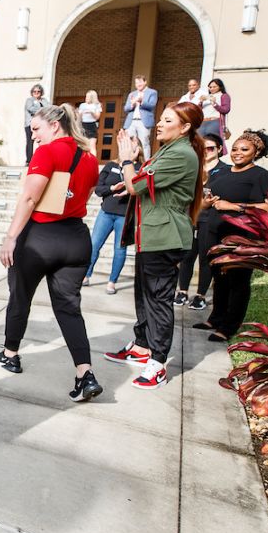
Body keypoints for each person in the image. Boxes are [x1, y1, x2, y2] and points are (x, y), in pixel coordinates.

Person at [0, 104, 102, 403]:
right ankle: (85, 373)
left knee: (20, 295)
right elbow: (83, 196)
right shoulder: (91, 159)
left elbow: (30, 197)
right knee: (69, 308)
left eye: (36, 128)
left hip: (40, 237)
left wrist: (10, 237)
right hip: (77, 239)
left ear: (55, 125)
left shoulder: (47, 152)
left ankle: (11, 354)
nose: (33, 134)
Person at [104, 102, 205, 390]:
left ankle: (157, 362)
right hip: (151, 236)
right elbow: (143, 183)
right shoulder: (170, 149)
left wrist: (126, 161)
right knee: (144, 294)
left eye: (167, 120)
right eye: (160, 119)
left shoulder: (182, 154)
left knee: (158, 300)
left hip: (166, 238)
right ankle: (142, 345)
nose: (159, 124)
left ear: (185, 127)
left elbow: (136, 185)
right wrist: (135, 163)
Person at [194, 129, 268, 342]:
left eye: (244, 149)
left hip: (242, 235)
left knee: (237, 281)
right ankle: (215, 318)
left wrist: (235, 206)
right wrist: (207, 202)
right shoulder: (223, 172)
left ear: (256, 152)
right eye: (234, 148)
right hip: (215, 231)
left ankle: (228, 326)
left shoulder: (262, 176)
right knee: (218, 276)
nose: (237, 153)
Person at [174, 133, 228, 310]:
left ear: (219, 149)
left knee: (206, 258)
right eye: (203, 148)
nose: (206, 151)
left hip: (210, 220)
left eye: (211, 148)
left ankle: (200, 295)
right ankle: (182, 291)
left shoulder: (225, 171)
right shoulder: (193, 166)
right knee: (187, 256)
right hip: (190, 217)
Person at [83, 150, 134, 294]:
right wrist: (112, 188)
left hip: (124, 216)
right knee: (93, 245)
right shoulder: (110, 165)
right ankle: (85, 275)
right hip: (106, 212)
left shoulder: (139, 168)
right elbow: (98, 189)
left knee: (119, 250)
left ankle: (112, 282)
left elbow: (140, 190)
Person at [122, 75, 158, 161]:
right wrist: (132, 104)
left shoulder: (152, 92)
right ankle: (129, 161)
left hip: (143, 121)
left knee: (144, 143)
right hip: (131, 122)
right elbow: (126, 108)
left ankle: (145, 164)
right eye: (136, 82)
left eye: (140, 82)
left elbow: (152, 105)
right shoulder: (132, 94)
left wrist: (141, 101)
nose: (138, 84)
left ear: (145, 82)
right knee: (129, 142)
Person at [24, 84, 49, 163]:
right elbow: (30, 109)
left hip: (41, 125)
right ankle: (29, 160)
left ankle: (41, 159)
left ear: (41, 92)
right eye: (34, 91)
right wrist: (42, 109)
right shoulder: (29, 100)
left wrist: (40, 109)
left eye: (38, 91)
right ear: (32, 92)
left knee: (42, 142)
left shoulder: (44, 100)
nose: (36, 93)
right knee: (30, 142)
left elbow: (48, 108)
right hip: (30, 124)